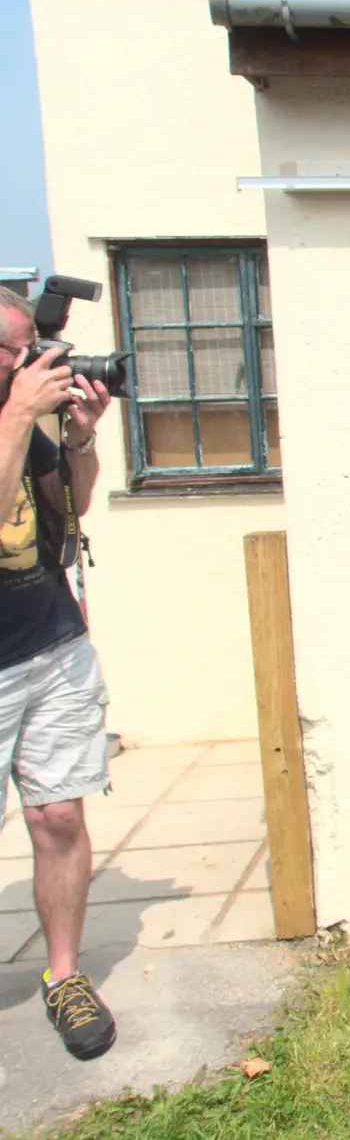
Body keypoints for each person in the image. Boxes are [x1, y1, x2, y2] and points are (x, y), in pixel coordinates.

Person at [0, 285, 116, 1060]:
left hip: (51, 644)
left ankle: (65, 975)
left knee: (60, 816)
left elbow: (67, 511)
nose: (21, 362)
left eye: (21, 348)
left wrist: (77, 440)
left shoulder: (25, 423)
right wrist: (15, 414)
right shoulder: (12, 415)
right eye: (6, 351)